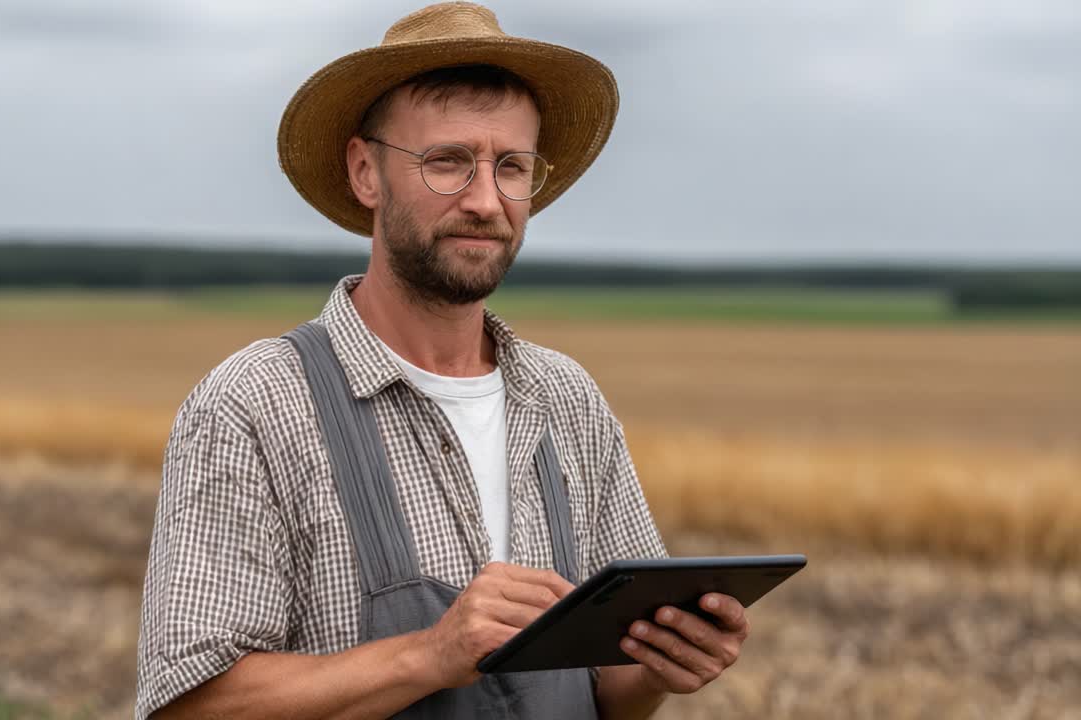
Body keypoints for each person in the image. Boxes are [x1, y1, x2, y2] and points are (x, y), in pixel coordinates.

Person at [135, 3, 750, 718]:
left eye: (512, 167)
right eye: (448, 162)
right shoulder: (255, 403)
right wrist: (431, 655)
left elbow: (607, 691)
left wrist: (663, 664)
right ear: (367, 172)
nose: (486, 201)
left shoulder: (566, 399)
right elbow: (190, 707)